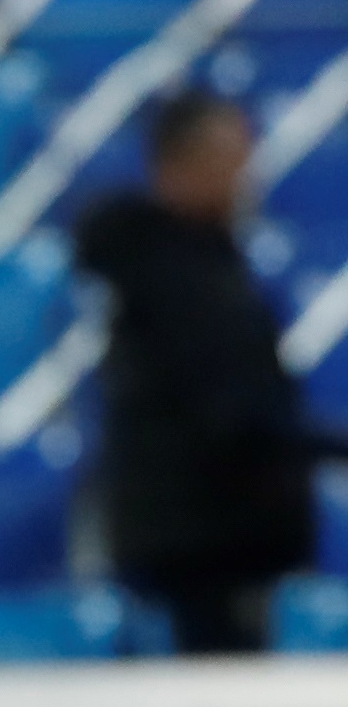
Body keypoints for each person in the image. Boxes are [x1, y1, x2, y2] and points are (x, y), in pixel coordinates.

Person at [73, 89, 343, 655]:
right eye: (231, 158)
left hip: (207, 539)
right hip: (204, 542)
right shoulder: (178, 277)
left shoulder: (196, 262)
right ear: (179, 165)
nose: (247, 175)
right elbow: (236, 415)